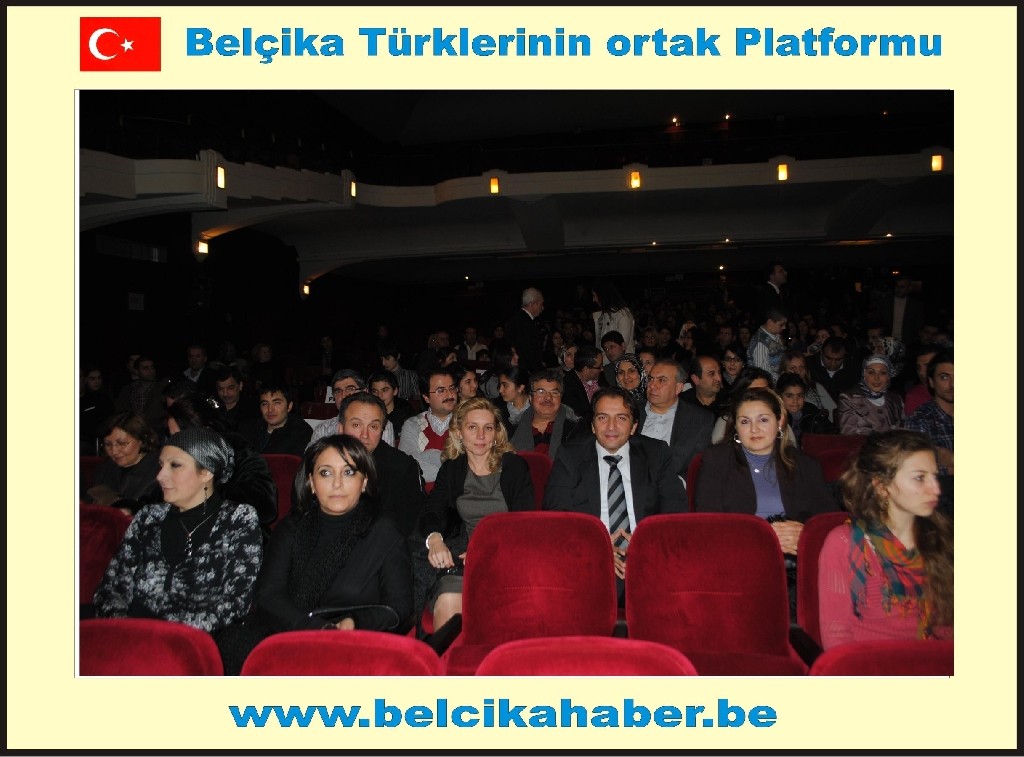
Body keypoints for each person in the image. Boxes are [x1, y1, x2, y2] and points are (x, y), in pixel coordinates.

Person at [218, 435, 414, 674]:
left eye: (349, 472)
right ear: (311, 482)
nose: (337, 484)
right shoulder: (290, 529)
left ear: (364, 482)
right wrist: (317, 630)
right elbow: (268, 596)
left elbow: (398, 607)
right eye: (326, 473)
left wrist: (355, 622)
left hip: (356, 644)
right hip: (292, 634)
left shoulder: (384, 532)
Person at [92, 428, 263, 634]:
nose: (160, 476)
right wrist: (124, 628)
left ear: (206, 472)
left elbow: (236, 602)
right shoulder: (149, 517)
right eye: (161, 465)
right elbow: (112, 587)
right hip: (131, 633)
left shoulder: (237, 519)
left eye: (175, 465)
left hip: (194, 639)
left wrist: (167, 635)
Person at [695, 387, 838, 617]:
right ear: (736, 426)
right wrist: (765, 537)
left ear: (780, 421)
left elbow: (832, 523)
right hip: (739, 562)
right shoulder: (717, 460)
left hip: (796, 566)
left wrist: (807, 534)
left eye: (763, 419)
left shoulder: (805, 465)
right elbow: (707, 525)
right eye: (745, 421)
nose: (754, 429)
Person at [543, 387, 686, 604]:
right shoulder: (570, 456)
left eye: (621, 418)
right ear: (592, 425)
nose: (611, 427)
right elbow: (556, 517)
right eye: (602, 417)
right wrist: (596, 548)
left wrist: (646, 546)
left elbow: (675, 513)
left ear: (634, 426)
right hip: (589, 558)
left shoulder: (656, 453)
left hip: (648, 557)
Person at [818, 430, 953, 649]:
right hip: (871, 664)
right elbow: (837, 638)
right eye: (920, 478)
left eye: (934, 476)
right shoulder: (844, 543)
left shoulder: (944, 536)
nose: (936, 489)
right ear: (881, 486)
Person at [420, 397, 535, 630]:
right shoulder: (452, 469)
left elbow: (524, 524)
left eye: (488, 428)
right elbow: (432, 510)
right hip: (466, 558)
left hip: (509, 556)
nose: (481, 436)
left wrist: (485, 552)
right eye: (472, 427)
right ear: (459, 432)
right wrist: (435, 539)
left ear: (496, 434)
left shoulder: (514, 467)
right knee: (448, 596)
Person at [166, 394, 279, 538]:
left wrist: (205, 490)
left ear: (203, 431)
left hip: (236, 535)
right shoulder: (173, 461)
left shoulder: (239, 454)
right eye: (172, 437)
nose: (175, 444)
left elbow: (266, 508)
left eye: (180, 437)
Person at [637, 359, 714, 479]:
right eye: (651, 379)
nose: (652, 385)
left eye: (661, 380)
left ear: (678, 388)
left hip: (673, 486)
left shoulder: (699, 420)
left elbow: (697, 468)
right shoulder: (630, 411)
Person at [83, 412, 163, 515]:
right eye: (108, 444)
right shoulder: (105, 468)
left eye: (122, 443)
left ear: (142, 440)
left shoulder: (158, 470)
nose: (114, 451)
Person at [508, 367, 584, 460]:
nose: (548, 398)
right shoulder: (512, 429)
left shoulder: (576, 429)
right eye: (541, 392)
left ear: (561, 397)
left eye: (554, 392)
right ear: (530, 398)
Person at [398, 369, 457, 484]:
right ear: (426, 397)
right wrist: (443, 460)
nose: (450, 395)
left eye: (452, 388)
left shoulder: (467, 423)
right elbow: (408, 466)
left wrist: (424, 457)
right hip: (421, 494)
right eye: (441, 390)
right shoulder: (413, 424)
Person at [839, 355, 905, 436]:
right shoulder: (849, 399)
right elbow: (849, 435)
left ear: (888, 377)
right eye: (871, 372)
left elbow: (902, 432)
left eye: (882, 373)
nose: (876, 378)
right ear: (864, 375)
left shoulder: (896, 399)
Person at [242, 383, 313, 456]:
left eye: (277, 403)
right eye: (264, 404)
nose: (270, 409)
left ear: (289, 406)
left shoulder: (301, 433)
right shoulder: (248, 429)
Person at [776, 373, 836, 448]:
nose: (795, 400)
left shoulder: (813, 413)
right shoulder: (775, 416)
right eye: (789, 396)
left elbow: (831, 435)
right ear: (779, 397)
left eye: (800, 395)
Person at [780, 350, 837, 423]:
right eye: (793, 368)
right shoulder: (779, 390)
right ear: (784, 371)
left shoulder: (815, 387)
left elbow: (832, 410)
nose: (798, 371)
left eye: (801, 367)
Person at [505, 287, 546, 375]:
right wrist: (541, 372)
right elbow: (528, 352)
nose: (542, 308)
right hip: (526, 372)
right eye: (541, 304)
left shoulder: (518, 318)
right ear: (533, 304)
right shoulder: (525, 322)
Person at [592, 279, 635, 354]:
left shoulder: (623, 315)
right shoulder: (602, 315)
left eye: (594, 296)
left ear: (602, 296)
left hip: (621, 361)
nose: (594, 300)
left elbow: (619, 349)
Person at [80, 364, 115, 455]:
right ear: (85, 380)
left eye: (99, 378)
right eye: (92, 379)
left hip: (98, 441)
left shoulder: (106, 398)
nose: (97, 381)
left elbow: (109, 420)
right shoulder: (82, 398)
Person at [747, 306, 788, 382]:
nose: (784, 327)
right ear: (770, 322)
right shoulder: (760, 343)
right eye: (781, 325)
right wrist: (782, 379)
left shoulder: (775, 335)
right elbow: (762, 374)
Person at [214, 366, 259, 431]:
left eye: (230, 388)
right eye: (220, 389)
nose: (225, 394)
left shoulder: (252, 410)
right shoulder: (211, 407)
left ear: (240, 386)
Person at [495, 365, 531, 430]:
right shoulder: (498, 408)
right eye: (500, 385)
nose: (500, 390)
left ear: (520, 387)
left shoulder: (536, 406)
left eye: (505, 385)